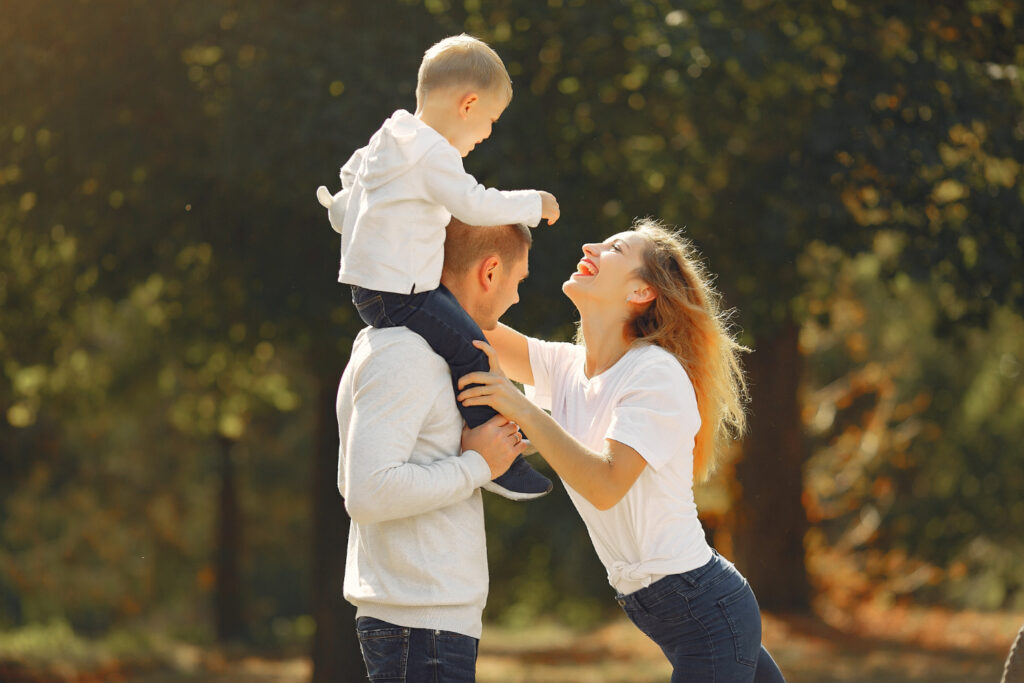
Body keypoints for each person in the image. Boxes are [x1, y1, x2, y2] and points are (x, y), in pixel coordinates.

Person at [457, 218, 787, 682]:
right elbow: (465, 325)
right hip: (672, 608)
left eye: (614, 248)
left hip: (704, 609)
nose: (590, 244)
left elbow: (607, 485)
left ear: (640, 293)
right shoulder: (567, 367)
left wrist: (526, 413)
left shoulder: (654, 373)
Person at [318, 33, 558, 500]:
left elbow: (351, 178)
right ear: (468, 105)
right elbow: (472, 204)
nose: (486, 134)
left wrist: (348, 213)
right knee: (471, 349)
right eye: (489, 120)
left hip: (377, 291)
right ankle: (501, 462)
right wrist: (533, 203)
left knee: (458, 330)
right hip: (403, 297)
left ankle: (493, 435)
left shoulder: (391, 134)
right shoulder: (432, 152)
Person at [337, 218, 535, 681]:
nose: (517, 298)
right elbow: (367, 492)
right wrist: (476, 466)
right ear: (490, 271)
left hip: (427, 623)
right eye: (519, 280)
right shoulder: (406, 352)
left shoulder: (420, 350)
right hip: (419, 628)